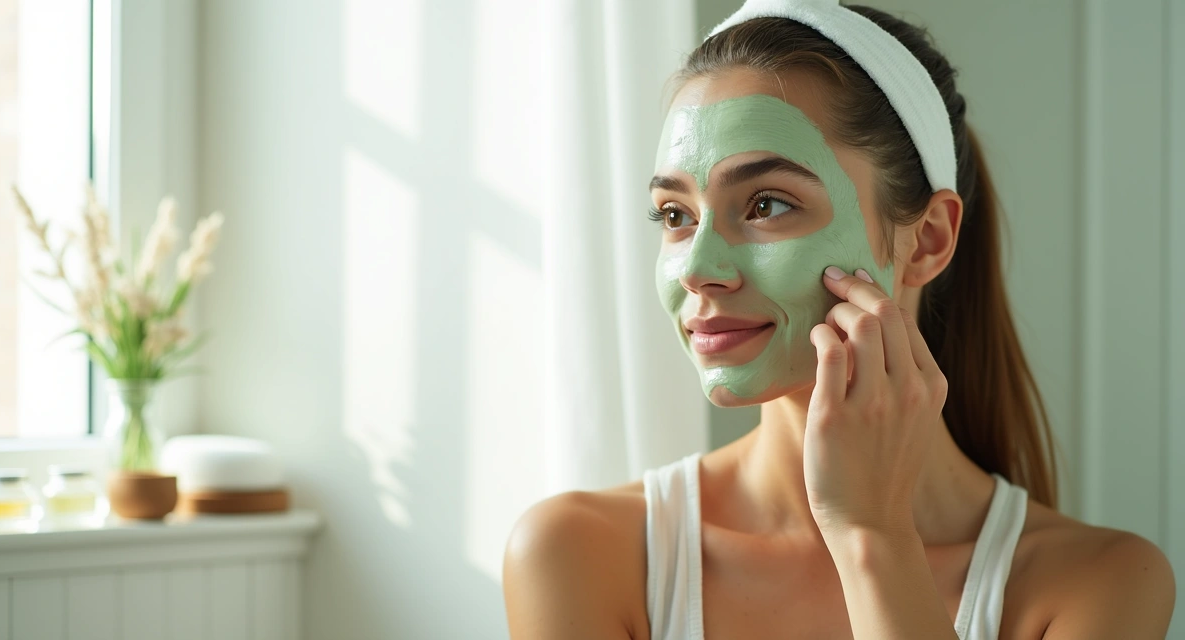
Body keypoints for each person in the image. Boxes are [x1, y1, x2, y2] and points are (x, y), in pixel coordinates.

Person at [503, 1, 1176, 638]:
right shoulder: (580, 555)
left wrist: (871, 535)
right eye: (676, 215)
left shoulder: (1098, 584)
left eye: (766, 203)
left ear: (930, 238)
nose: (697, 268)